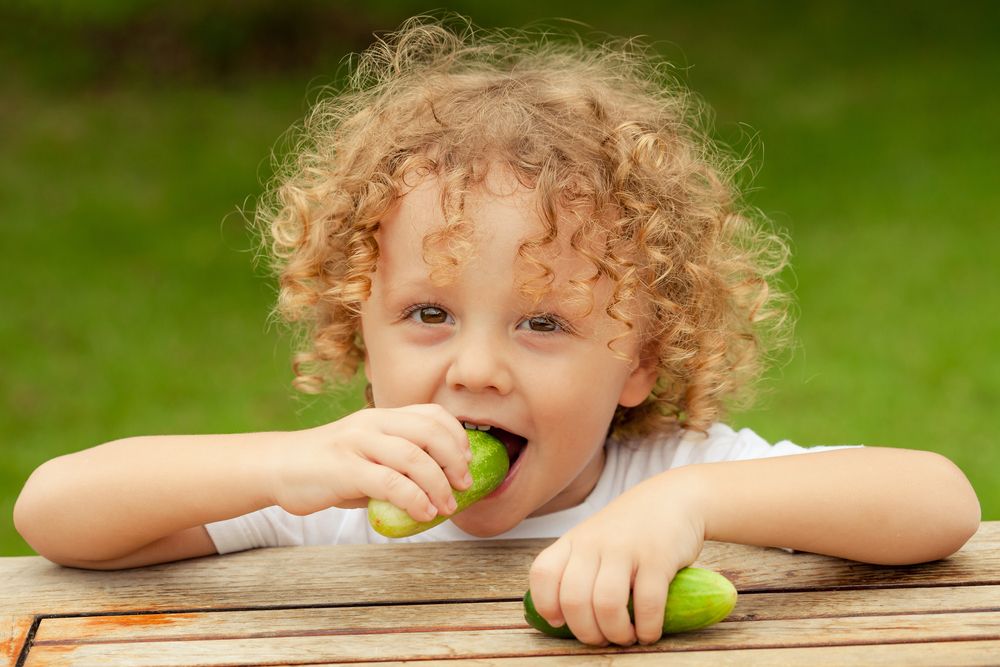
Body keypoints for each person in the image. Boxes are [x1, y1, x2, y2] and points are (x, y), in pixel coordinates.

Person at [14, 16, 980, 647]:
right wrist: (281, 465)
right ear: (363, 319)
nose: (475, 368)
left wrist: (686, 504)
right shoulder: (341, 494)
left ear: (639, 358)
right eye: (429, 314)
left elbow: (937, 500)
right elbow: (53, 512)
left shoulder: (662, 476)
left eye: (543, 321)